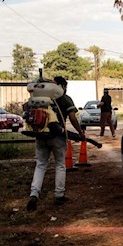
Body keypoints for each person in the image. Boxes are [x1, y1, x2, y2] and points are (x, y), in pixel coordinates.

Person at [26, 76, 86, 211]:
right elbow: (72, 117)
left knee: (40, 165)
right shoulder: (64, 98)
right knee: (60, 165)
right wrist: (80, 132)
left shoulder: (39, 97)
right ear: (62, 86)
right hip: (58, 137)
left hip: (41, 135)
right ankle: (59, 194)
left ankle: (34, 194)